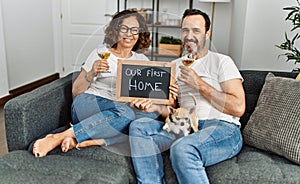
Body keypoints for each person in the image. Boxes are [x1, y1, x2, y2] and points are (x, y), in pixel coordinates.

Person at [32, 9, 177, 157]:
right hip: (89, 104)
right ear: (116, 30)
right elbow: (76, 91)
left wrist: (165, 93)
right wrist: (91, 73)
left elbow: (147, 93)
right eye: (124, 29)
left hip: (118, 114)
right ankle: (59, 137)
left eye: (134, 30)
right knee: (125, 113)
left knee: (147, 119)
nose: (129, 34)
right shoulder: (100, 53)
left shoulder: (142, 60)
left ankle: (94, 140)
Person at [129, 9, 246, 183]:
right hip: (186, 125)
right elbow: (172, 112)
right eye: (185, 30)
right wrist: (153, 106)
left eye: (196, 31)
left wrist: (198, 83)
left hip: (222, 127)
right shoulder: (174, 66)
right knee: (138, 126)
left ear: (207, 33)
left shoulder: (222, 61)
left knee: (182, 148)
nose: (189, 36)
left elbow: (238, 108)